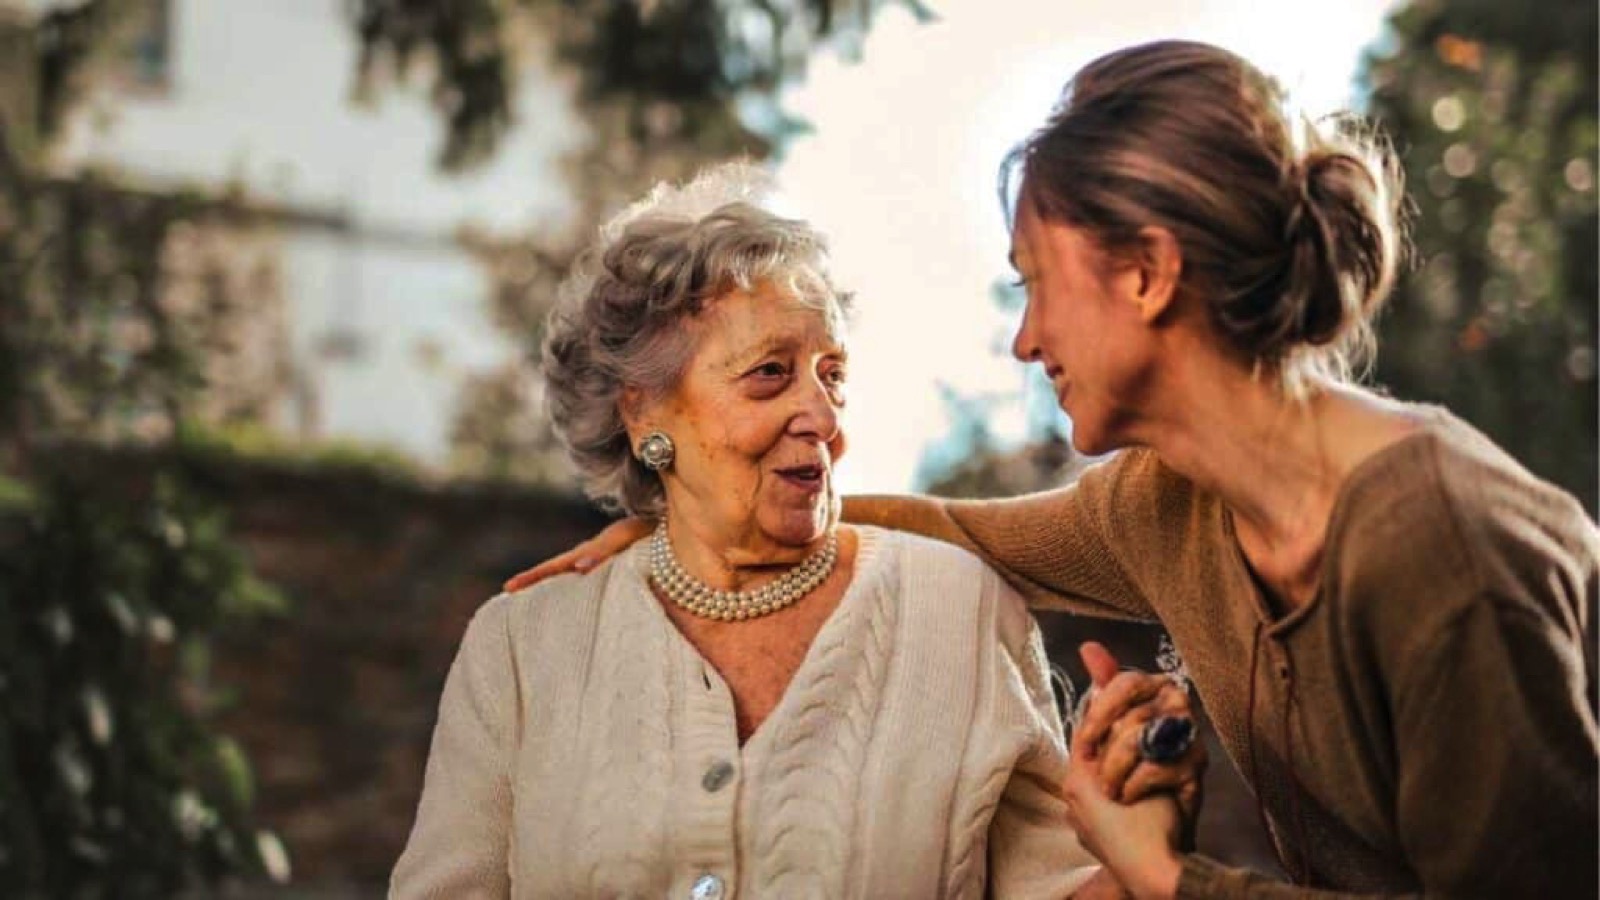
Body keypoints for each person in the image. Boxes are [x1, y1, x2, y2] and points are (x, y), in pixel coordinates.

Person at [505, 41, 1599, 899]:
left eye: (1035, 282)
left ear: (1146, 274)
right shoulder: (1167, 504)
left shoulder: (1438, 547)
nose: (1025, 340)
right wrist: (696, 522)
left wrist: (1166, 876)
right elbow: (957, 530)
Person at [392, 165, 1202, 899]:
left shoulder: (959, 610)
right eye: (769, 374)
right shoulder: (523, 647)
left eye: (833, 374)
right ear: (643, 415)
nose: (820, 417)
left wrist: (1140, 834)